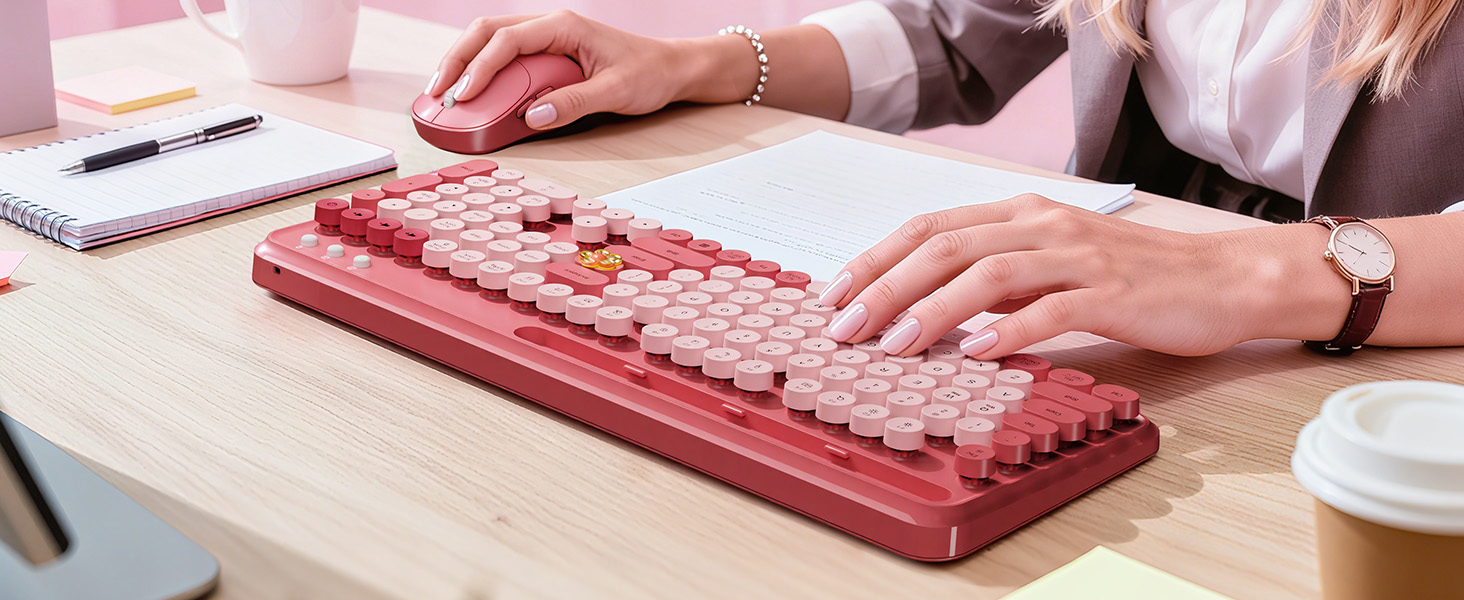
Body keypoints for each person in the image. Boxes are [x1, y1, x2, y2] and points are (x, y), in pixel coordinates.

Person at [424, 1, 1464, 360]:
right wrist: (700, 62)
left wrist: (1245, 275)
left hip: (1406, 331)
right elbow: (956, 30)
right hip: (1154, 299)